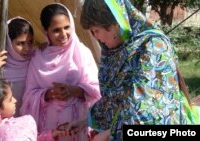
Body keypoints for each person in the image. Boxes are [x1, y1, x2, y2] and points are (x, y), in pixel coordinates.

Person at [63, 0, 200, 140]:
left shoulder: (153, 46)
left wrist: (109, 133)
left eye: (96, 30)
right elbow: (113, 99)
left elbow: (148, 109)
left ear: (114, 25)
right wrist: (84, 122)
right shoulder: (115, 52)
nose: (95, 37)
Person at [20, 3, 101, 141]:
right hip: (49, 129)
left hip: (77, 126)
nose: (64, 34)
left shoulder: (82, 53)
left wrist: (73, 91)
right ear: (46, 31)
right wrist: (49, 94)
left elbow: (97, 90)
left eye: (67, 27)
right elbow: (29, 96)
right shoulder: (37, 57)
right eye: (56, 30)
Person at [0, 79, 66, 141]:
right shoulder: (12, 132)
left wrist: (52, 134)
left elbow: (34, 138)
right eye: (9, 99)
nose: (15, 100)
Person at [0, 17, 34, 117]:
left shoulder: (35, 59)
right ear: (9, 43)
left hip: (33, 120)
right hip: (8, 125)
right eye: (20, 43)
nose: (27, 48)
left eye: (30, 42)